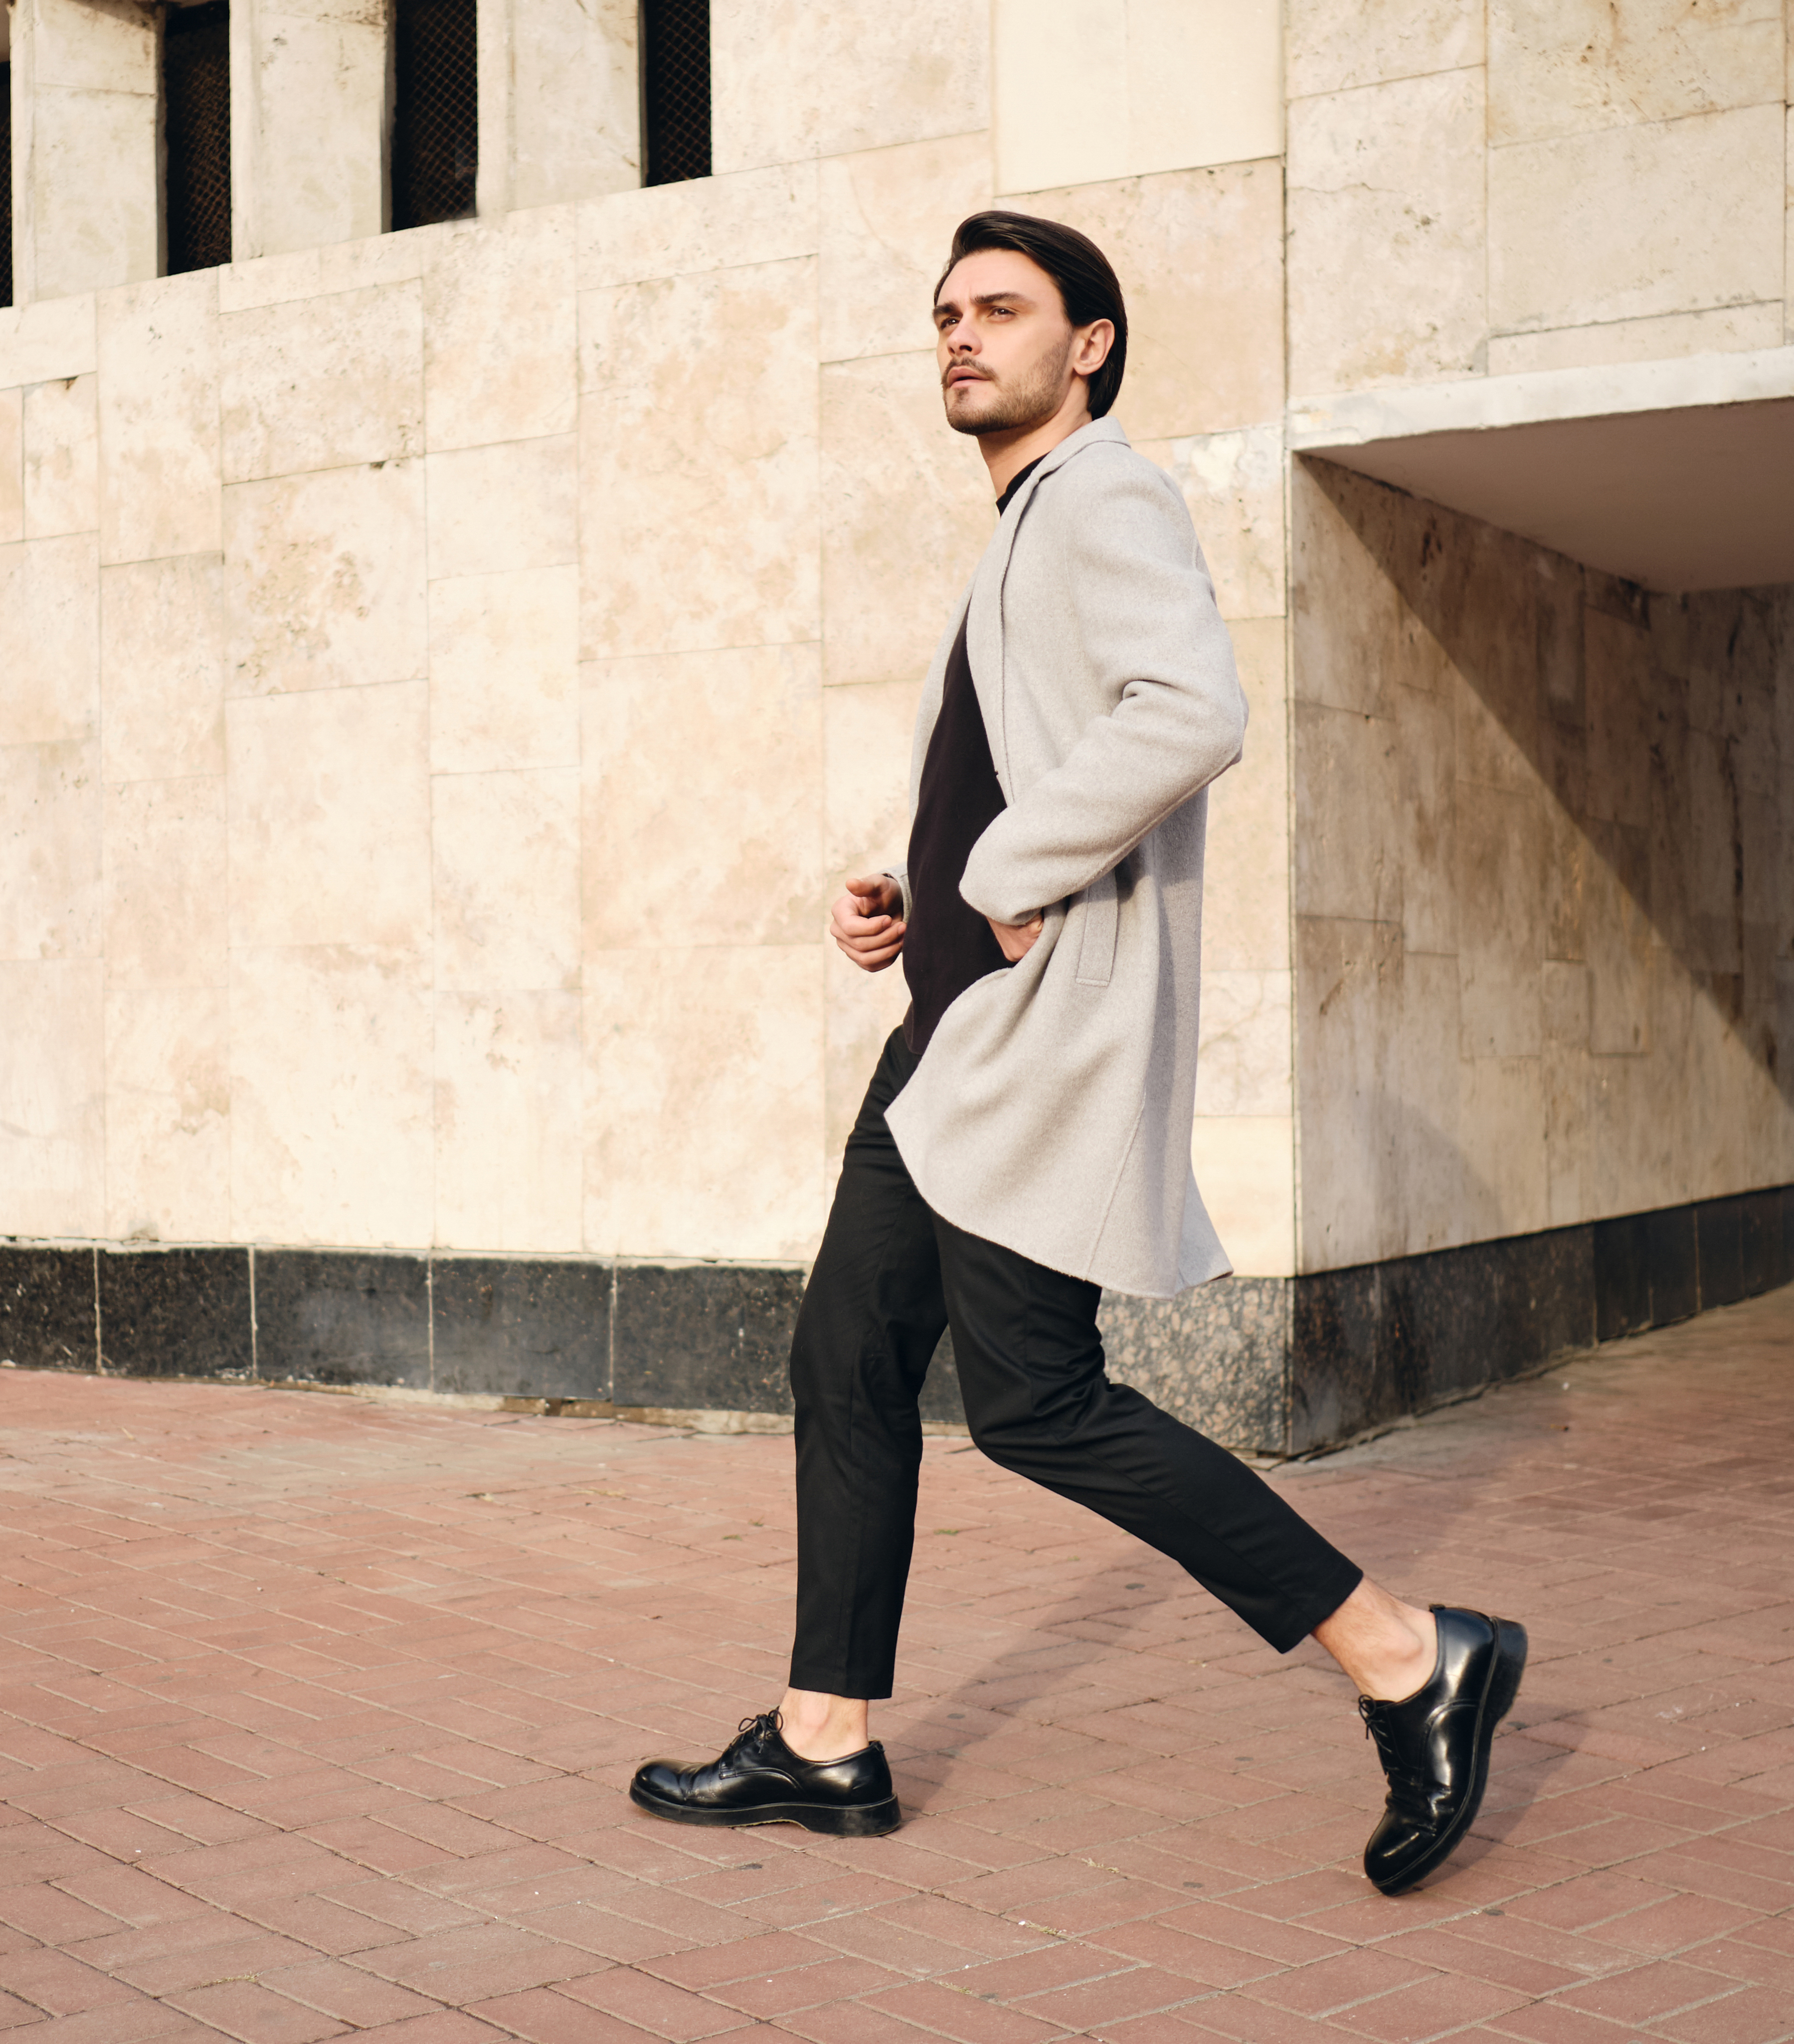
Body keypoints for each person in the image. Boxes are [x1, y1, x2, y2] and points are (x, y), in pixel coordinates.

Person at [626, 212, 1524, 1897]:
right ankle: (824, 1738)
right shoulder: (1020, 527)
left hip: (1018, 1053)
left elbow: (1189, 711)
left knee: (1037, 1405)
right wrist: (922, 887)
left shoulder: (1105, 490)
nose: (960, 336)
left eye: (1001, 311)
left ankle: (1407, 1651)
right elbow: (1027, 760)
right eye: (944, 314)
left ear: (1087, 344)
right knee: (844, 1358)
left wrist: (1007, 870)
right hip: (947, 1037)